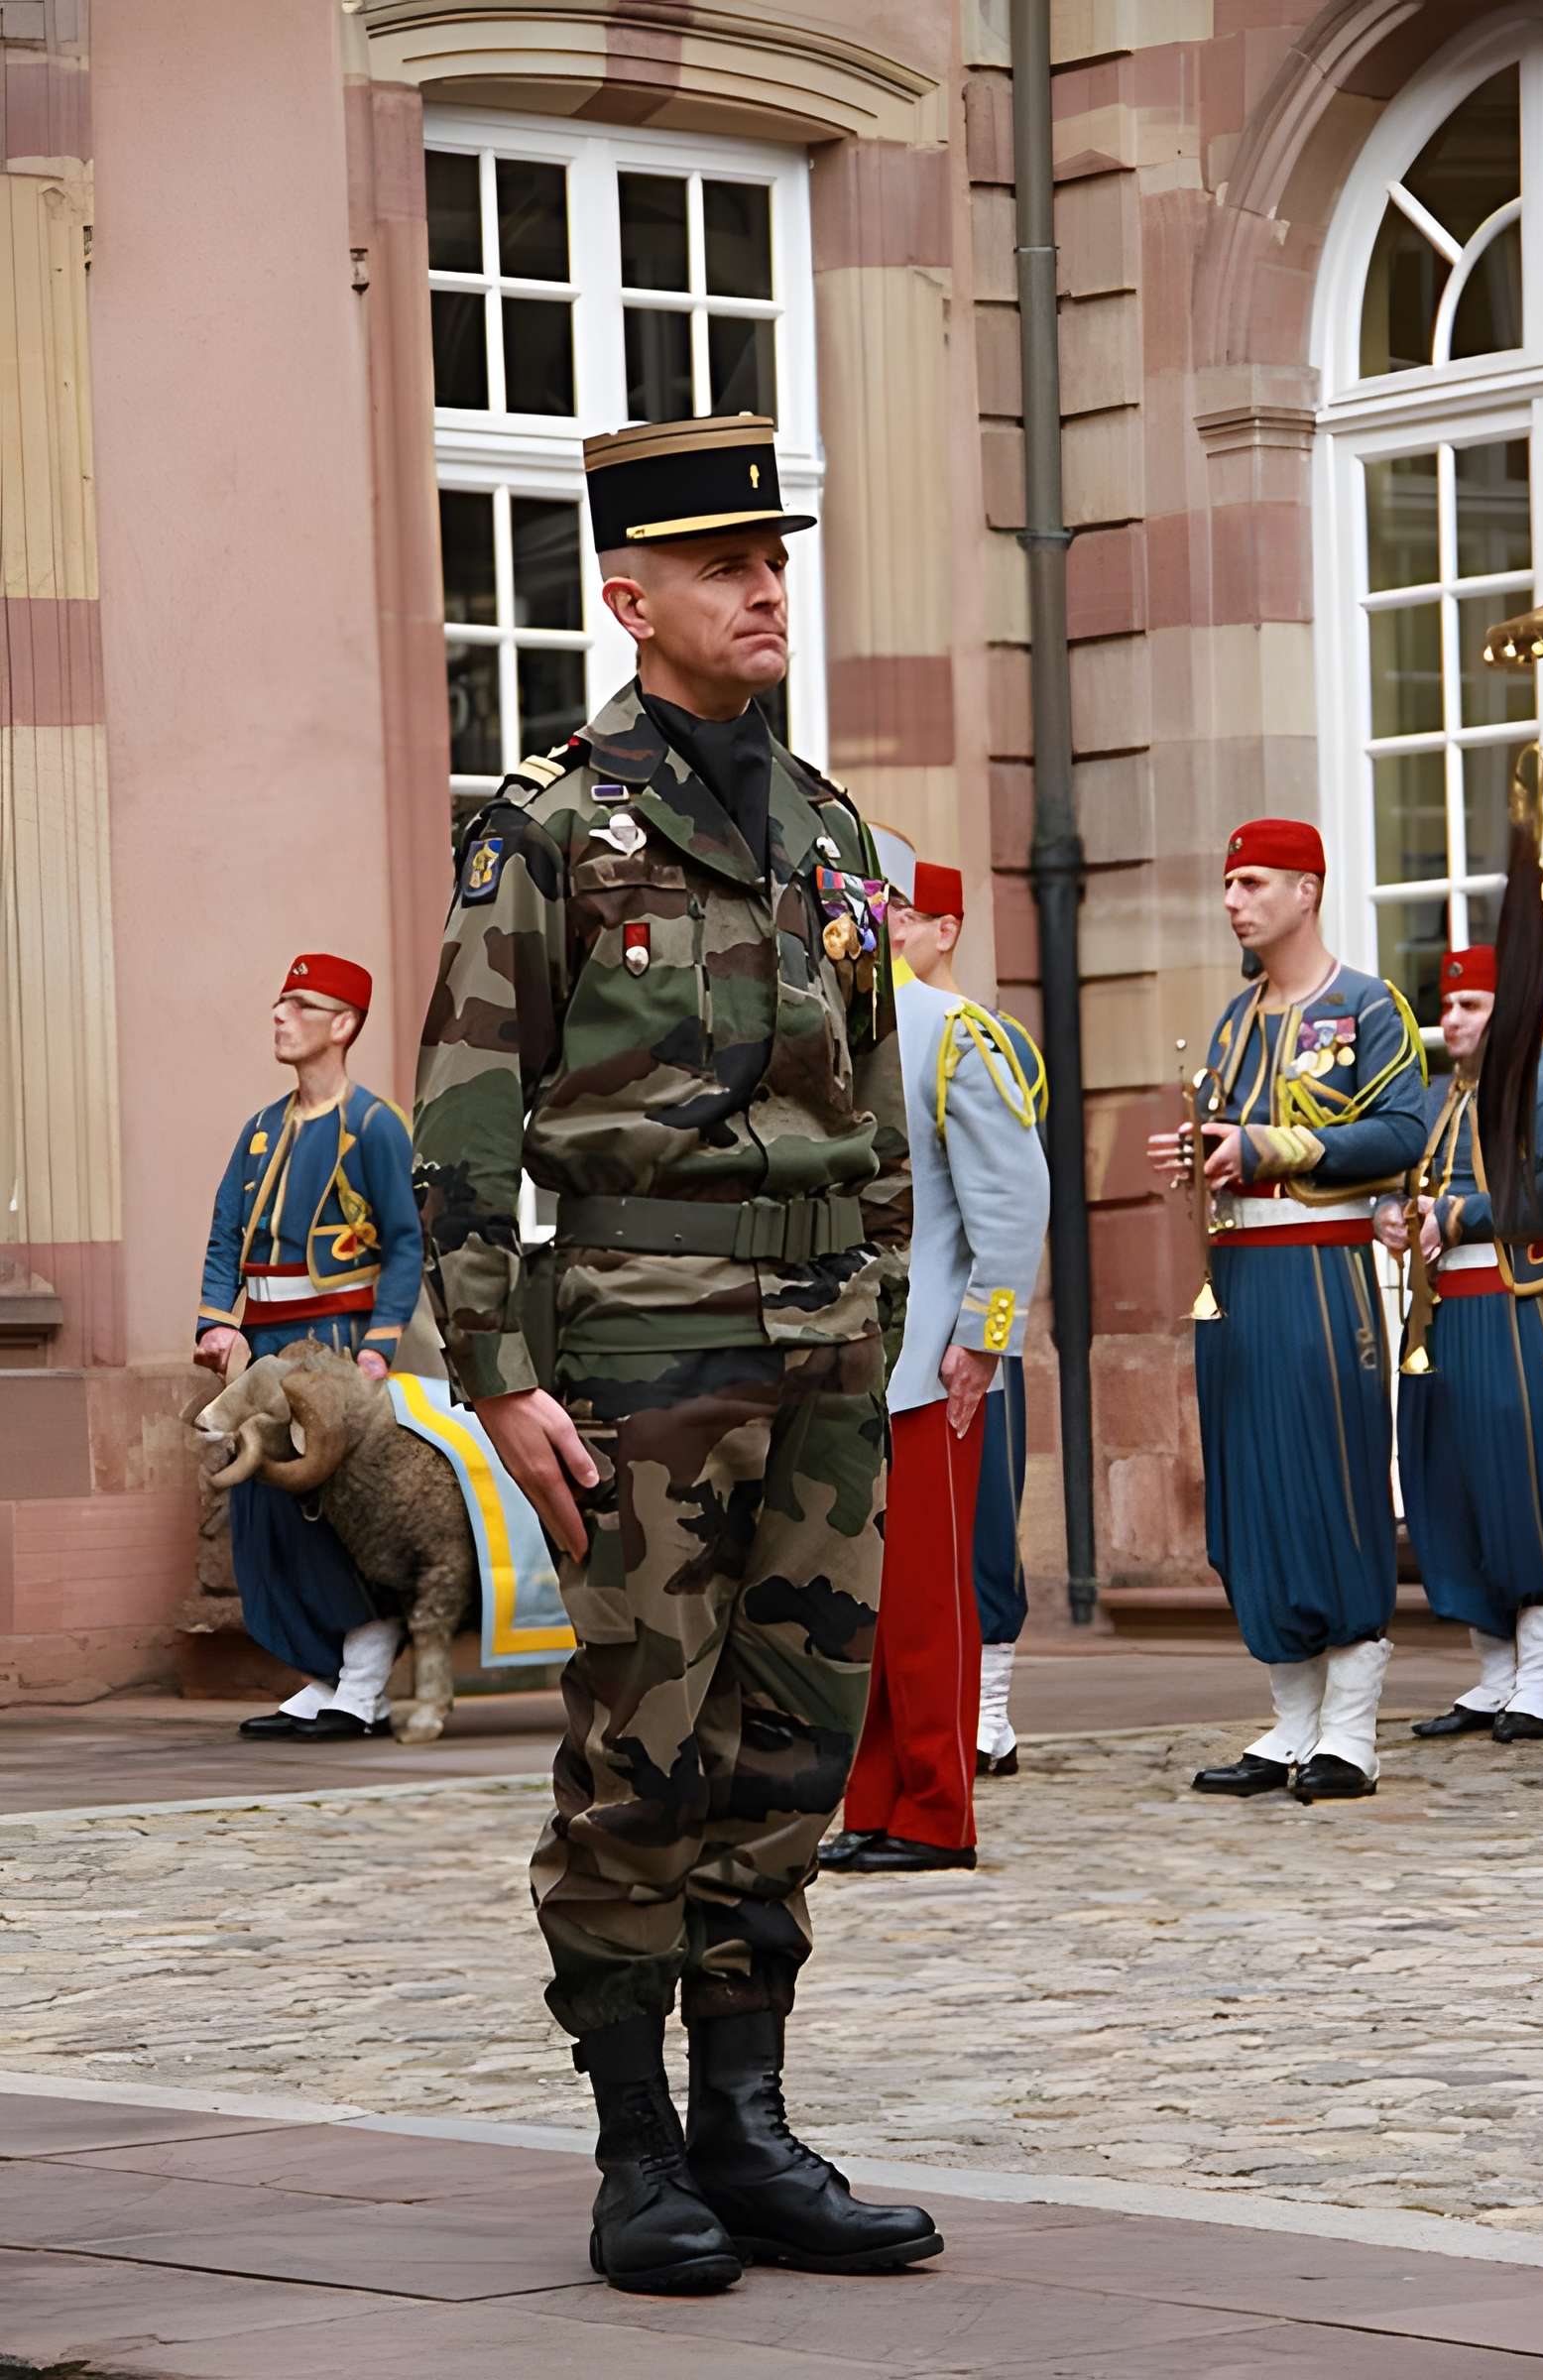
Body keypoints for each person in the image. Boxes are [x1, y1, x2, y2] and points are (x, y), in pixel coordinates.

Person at [412, 414, 939, 2297]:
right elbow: (465, 1118)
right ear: (632, 598)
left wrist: (874, 1294)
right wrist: (495, 1371)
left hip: (817, 1353)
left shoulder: (830, 828)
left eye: (774, 557)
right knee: (644, 1744)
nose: (766, 585)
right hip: (639, 1345)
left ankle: (751, 2124)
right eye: (726, 565)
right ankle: (637, 2156)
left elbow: (874, 1105)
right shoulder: (549, 825)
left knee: (788, 1750)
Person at [1146, 820, 1425, 1803]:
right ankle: (1291, 1718)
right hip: (1235, 1274)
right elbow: (1229, 1130)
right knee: (1250, 1492)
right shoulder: (1234, 1020)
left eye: (1254, 882)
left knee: (1330, 1480)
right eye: (1227, 884)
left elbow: (1401, 1131)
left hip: (1319, 1269)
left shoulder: (1367, 1005)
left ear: (1306, 889)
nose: (1234, 901)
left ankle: (1351, 1729)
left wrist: (1269, 1149)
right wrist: (1196, 1154)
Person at [820, 860, 1048, 1872]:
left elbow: (1009, 1193)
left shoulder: (951, 1031)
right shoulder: (822, 1028)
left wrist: (983, 1338)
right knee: (852, 1605)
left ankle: (935, 1807)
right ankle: (872, 1798)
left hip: (923, 1357)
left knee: (922, 1603)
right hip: (839, 1356)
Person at [195, 954, 423, 1741]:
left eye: (299, 1004)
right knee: (264, 1513)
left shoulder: (376, 1124)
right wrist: (214, 1322)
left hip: (334, 1342)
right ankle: (326, 1675)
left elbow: (403, 1242)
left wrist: (381, 1343)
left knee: (329, 1512)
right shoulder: (260, 1128)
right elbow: (227, 1232)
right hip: (264, 1344)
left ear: (345, 1024)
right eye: (279, 1002)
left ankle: (365, 1678)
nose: (280, 1016)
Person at [1387, 948, 1543, 1740]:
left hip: (1516, 1316)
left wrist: (1460, 1217)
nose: (1454, 1019)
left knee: (1526, 1492)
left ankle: (1541, 1685)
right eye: (1451, 1005)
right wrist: (1390, 1214)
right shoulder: (1435, 1100)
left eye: (1473, 1005)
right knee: (1450, 1491)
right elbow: (1409, 1188)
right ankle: (1493, 1677)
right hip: (1438, 1320)